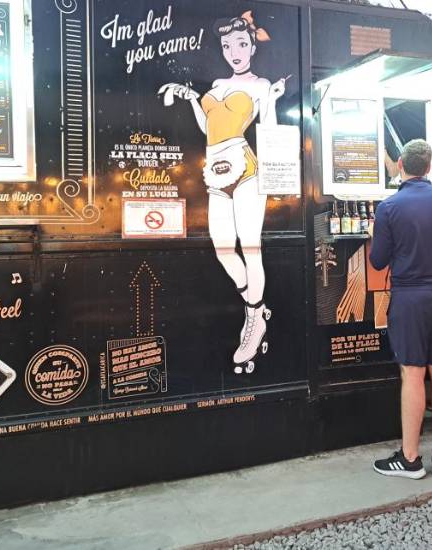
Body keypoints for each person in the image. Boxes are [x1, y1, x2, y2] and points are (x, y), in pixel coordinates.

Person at [160, 11, 286, 374]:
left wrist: (273, 100)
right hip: (214, 171)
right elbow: (208, 127)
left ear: (252, 48)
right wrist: (191, 99)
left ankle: (254, 323)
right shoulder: (216, 85)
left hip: (245, 169)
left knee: (250, 247)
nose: (235, 52)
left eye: (242, 44)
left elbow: (269, 130)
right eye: (228, 45)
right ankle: (256, 305)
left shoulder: (261, 86)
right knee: (223, 249)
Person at [368, 139, 432, 479]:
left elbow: (378, 261)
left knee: (412, 372)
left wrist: (376, 233)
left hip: (411, 297)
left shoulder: (389, 207)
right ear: (429, 166)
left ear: (400, 164)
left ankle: (410, 460)